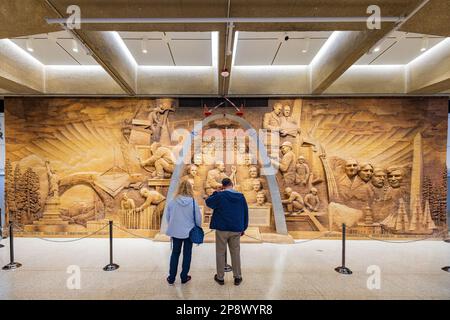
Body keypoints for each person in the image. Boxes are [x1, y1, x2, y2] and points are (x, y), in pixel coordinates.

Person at [205, 178, 248, 286]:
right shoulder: (240, 196)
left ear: (223, 186)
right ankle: (237, 277)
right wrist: (243, 227)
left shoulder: (220, 196)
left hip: (222, 229)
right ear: (232, 185)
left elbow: (208, 202)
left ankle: (220, 278)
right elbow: (245, 212)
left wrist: (216, 192)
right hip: (236, 228)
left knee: (220, 253)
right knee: (235, 253)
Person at [165, 180, 202, 285]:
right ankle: (184, 277)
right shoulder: (193, 202)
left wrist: (173, 226)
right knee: (187, 254)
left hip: (176, 231)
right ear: (190, 188)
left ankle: (171, 277)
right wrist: (198, 228)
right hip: (189, 232)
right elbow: (198, 218)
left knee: (175, 254)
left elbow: (168, 217)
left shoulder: (173, 201)